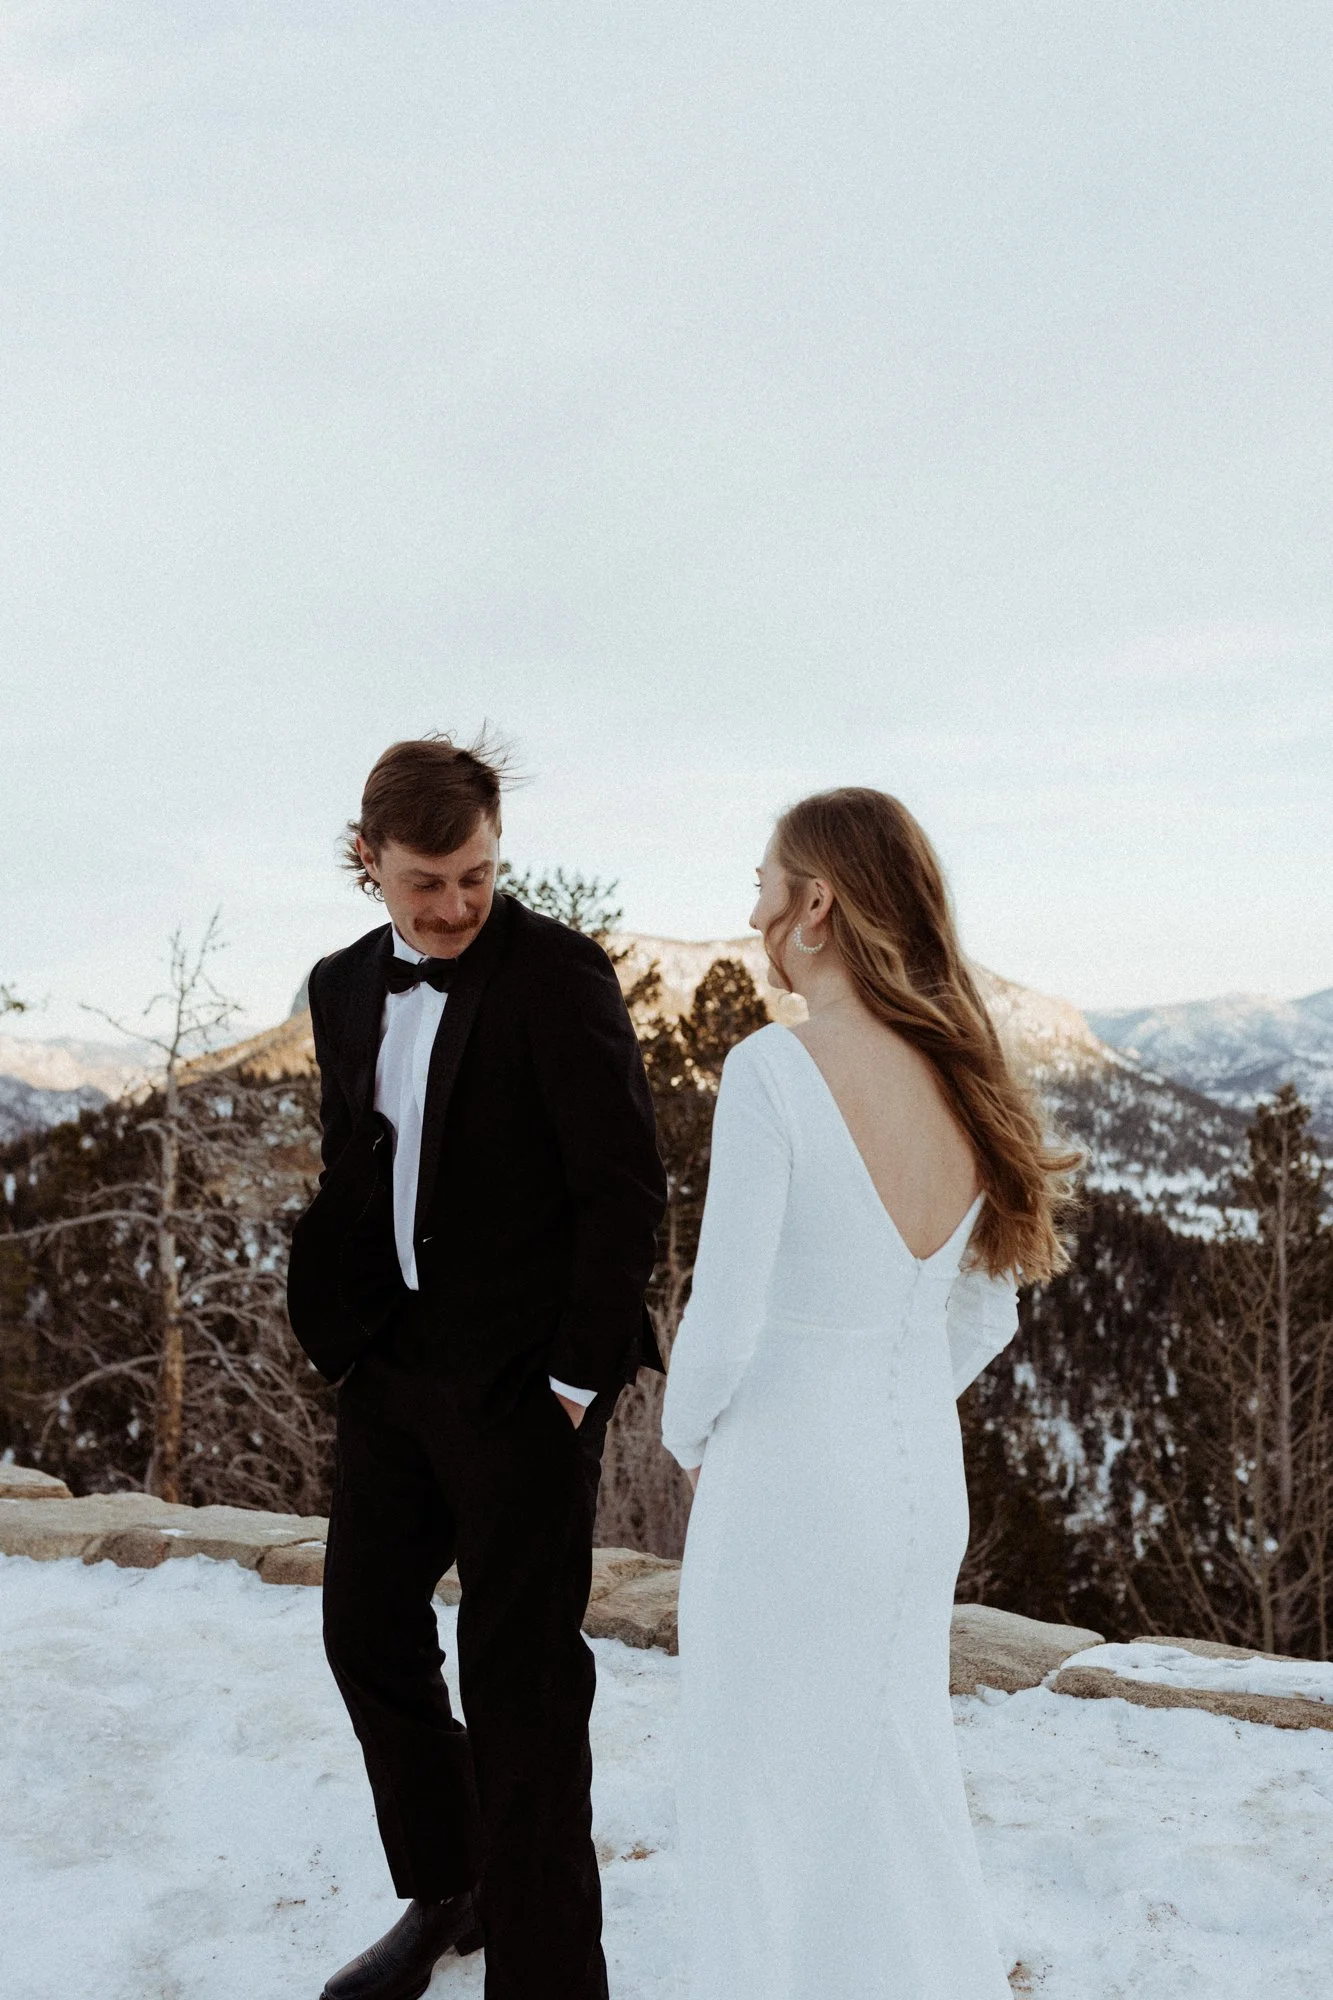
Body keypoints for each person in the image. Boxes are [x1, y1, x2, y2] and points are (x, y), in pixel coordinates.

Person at [661, 786, 1078, 2000]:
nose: (751, 911)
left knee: (755, 1795)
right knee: (896, 1781)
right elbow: (985, 1310)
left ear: (816, 905)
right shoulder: (960, 1072)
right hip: (912, 1482)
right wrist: (881, 1392)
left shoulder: (774, 1068)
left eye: (763, 884)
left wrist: (692, 1436)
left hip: (785, 1483)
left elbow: (724, 1313)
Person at [287, 735, 667, 2000]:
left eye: (476, 877)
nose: (455, 906)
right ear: (368, 859)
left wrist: (574, 1382)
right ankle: (454, 1884)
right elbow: (357, 1158)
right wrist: (341, 1324)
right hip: (392, 1367)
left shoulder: (558, 975)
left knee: (524, 1688)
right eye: (426, 882)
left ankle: (550, 1977)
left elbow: (623, 1188)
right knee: (364, 1629)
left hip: (526, 1386)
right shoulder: (340, 984)